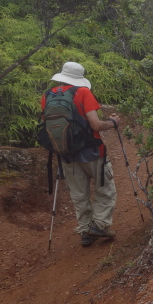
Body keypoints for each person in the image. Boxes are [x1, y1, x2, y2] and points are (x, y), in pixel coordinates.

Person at [42, 62, 122, 247]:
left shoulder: (47, 96)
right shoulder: (83, 93)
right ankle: (100, 225)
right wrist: (112, 122)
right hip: (92, 151)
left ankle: (85, 230)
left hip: (66, 153)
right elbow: (96, 125)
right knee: (105, 188)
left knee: (79, 194)